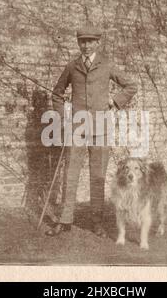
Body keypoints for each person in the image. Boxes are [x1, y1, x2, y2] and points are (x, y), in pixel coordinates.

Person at [45, 25, 137, 237]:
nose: (86, 45)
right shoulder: (71, 66)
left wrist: (114, 102)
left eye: (90, 41)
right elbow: (57, 94)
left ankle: (97, 222)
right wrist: (62, 118)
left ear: (98, 42)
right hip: (76, 128)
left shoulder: (107, 65)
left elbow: (131, 85)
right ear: (78, 43)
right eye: (82, 41)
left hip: (101, 129)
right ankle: (65, 220)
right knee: (70, 175)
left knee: (98, 176)